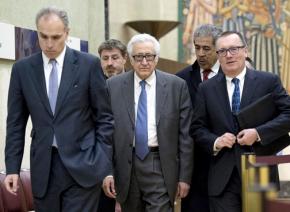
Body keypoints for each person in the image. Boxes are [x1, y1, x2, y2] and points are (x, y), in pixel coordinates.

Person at [4, 6, 114, 212]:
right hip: (44, 168)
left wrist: (100, 161)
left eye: (56, 37)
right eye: (43, 36)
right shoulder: (22, 69)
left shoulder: (88, 64)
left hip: (84, 166)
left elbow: (105, 118)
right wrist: (12, 168)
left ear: (67, 33)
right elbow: (15, 123)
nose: (49, 44)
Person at [191, 31, 290, 212]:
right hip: (222, 177)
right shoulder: (206, 89)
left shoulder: (268, 81)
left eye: (234, 49)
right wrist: (216, 141)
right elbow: (197, 128)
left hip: (260, 171)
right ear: (218, 56)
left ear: (246, 51)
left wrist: (259, 133)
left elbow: (288, 114)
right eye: (222, 51)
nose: (229, 55)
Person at [103, 33, 194, 212]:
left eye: (149, 56)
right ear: (130, 59)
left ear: (156, 58)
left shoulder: (177, 86)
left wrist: (184, 177)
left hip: (160, 164)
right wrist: (107, 172)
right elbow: (105, 134)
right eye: (138, 57)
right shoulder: (113, 86)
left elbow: (186, 136)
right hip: (125, 166)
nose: (144, 62)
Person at [176, 24, 222, 212]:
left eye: (206, 48)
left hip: (225, 162)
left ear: (218, 49)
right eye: (197, 47)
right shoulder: (181, 80)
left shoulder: (231, 76)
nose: (200, 53)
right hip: (193, 169)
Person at [97, 38, 127, 212]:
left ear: (125, 58)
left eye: (115, 58)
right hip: (99, 172)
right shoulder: (93, 87)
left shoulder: (137, 86)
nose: (110, 63)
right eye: (105, 58)